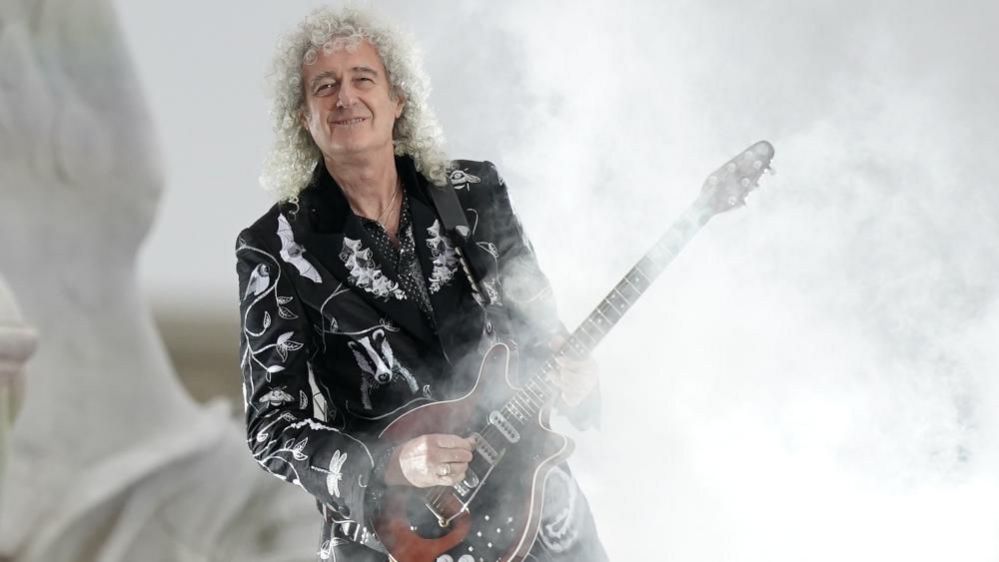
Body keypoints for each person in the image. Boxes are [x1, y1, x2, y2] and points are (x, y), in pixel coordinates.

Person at [235, 6, 608, 561]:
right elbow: (272, 427)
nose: (346, 97)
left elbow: (542, 333)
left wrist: (579, 383)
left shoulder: (474, 193)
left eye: (364, 78)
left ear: (397, 100)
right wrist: (391, 465)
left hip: (536, 515)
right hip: (398, 538)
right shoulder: (276, 246)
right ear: (303, 116)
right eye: (324, 86)